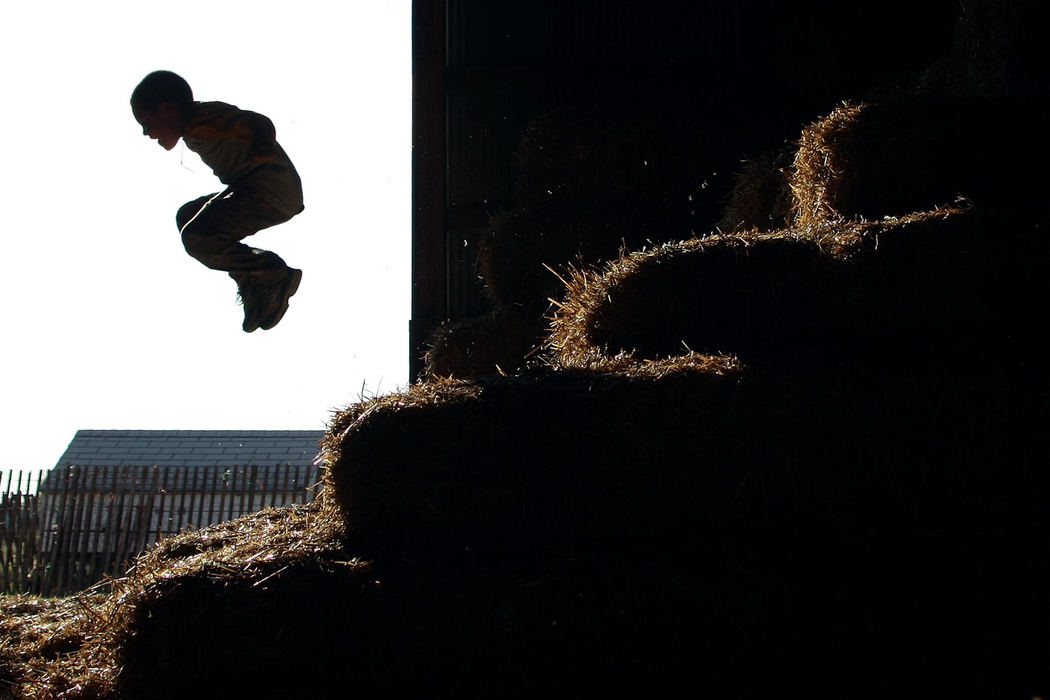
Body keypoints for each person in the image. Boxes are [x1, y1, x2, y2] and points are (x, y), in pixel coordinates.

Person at [131, 70, 304, 332]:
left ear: (167, 110)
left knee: (196, 236)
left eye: (146, 121)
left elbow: (260, 122)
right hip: (257, 188)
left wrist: (262, 147)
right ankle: (251, 278)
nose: (145, 132)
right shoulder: (195, 126)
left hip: (269, 190)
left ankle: (271, 274)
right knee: (187, 215)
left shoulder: (202, 120)